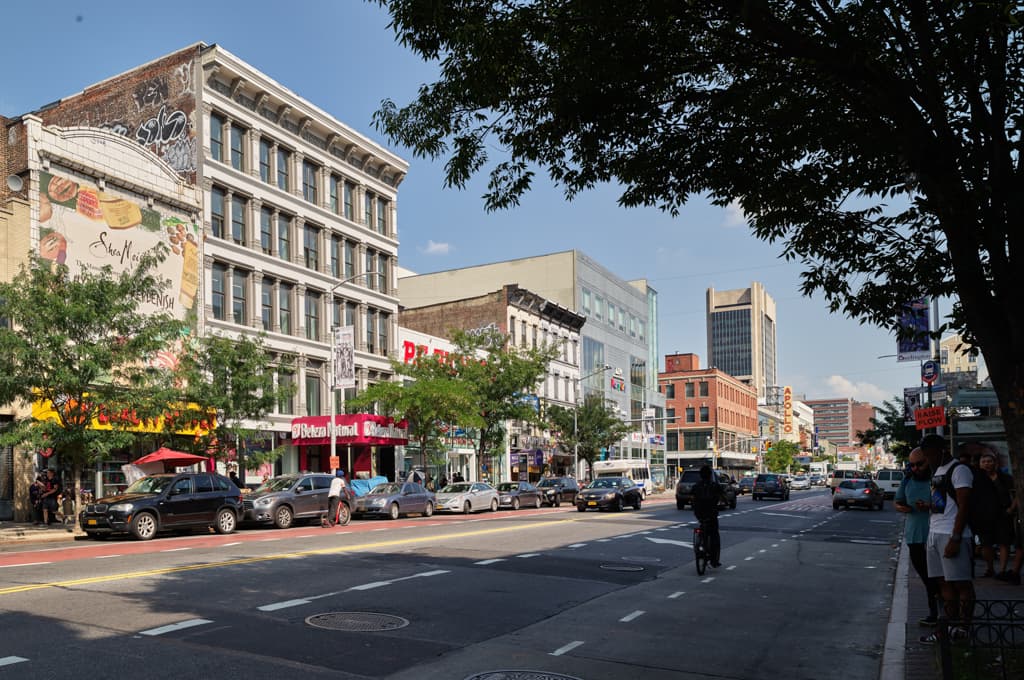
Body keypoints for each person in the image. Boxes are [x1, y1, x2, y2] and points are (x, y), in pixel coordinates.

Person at [917, 434, 975, 645]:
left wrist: (956, 537)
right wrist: (929, 507)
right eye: (926, 455)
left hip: (952, 534)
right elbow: (944, 504)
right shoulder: (938, 471)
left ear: (942, 450)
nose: (928, 459)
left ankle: (963, 629)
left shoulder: (959, 470)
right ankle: (947, 628)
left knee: (961, 584)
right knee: (943, 584)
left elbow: (964, 505)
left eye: (930, 454)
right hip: (935, 532)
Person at [894, 451, 941, 625]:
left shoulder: (936, 479)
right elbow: (898, 502)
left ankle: (942, 614)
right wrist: (902, 508)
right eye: (912, 465)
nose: (915, 468)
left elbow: (948, 505)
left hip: (936, 534)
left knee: (938, 577)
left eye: (919, 464)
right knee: (927, 577)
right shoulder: (907, 480)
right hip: (915, 536)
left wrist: (929, 506)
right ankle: (935, 613)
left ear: (928, 461)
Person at [976, 449, 1016, 580]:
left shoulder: (1005, 478)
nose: (987, 464)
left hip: (1002, 514)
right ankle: (990, 568)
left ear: (995, 463)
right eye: (984, 461)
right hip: (984, 515)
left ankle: (1003, 570)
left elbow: (1016, 494)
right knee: (985, 544)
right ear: (980, 464)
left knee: (1003, 543)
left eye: (989, 461)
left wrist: (1011, 509)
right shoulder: (977, 479)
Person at [691, 465, 726, 568]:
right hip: (711, 513)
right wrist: (725, 502)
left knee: (702, 525)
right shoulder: (714, 485)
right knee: (714, 534)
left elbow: (692, 497)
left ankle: (699, 543)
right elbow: (723, 496)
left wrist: (695, 505)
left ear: (700, 476)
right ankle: (714, 561)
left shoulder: (696, 486)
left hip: (699, 513)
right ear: (710, 475)